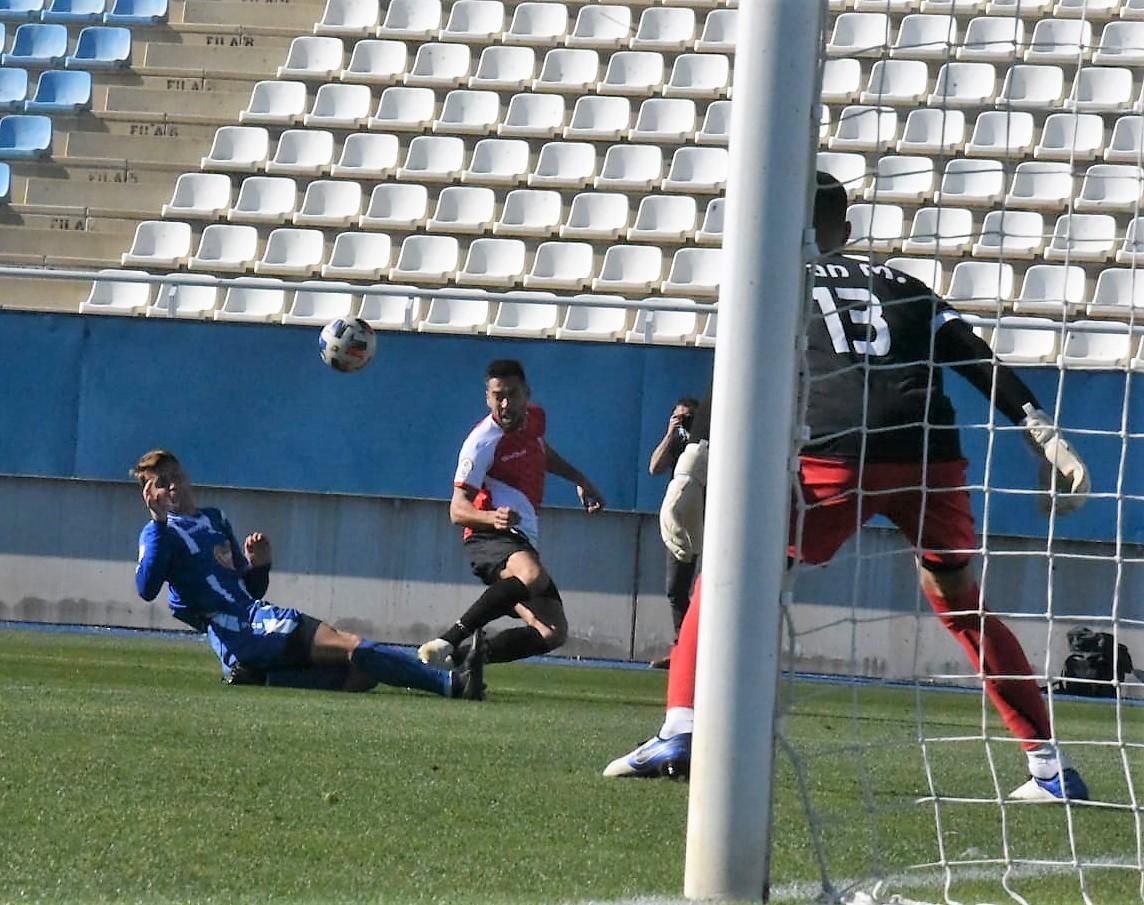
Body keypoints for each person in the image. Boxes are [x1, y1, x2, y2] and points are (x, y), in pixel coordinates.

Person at [603, 173, 1093, 803]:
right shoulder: (907, 286)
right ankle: (1051, 767)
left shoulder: (775, 282)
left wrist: (696, 453)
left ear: (784, 225)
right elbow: (972, 354)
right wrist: (1036, 426)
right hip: (929, 457)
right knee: (961, 601)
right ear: (846, 231)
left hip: (837, 455)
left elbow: (736, 369)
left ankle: (682, 727)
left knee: (728, 572)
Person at [131, 449, 486, 699]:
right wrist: (159, 522)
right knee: (350, 645)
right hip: (247, 629)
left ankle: (266, 678)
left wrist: (260, 566)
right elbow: (146, 590)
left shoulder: (215, 519)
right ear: (150, 494)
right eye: (161, 483)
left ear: (188, 476)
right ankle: (453, 684)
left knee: (361, 676)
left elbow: (248, 589)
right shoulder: (158, 532)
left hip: (257, 620)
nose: (172, 486)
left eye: (175, 475)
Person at [417, 359, 606, 669]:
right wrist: (493, 518)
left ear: (527, 394)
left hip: (520, 539)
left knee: (553, 632)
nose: (505, 404)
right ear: (487, 398)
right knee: (531, 575)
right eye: (497, 396)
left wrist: (580, 480)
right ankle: (449, 639)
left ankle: (457, 662)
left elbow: (540, 452)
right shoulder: (481, 444)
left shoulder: (535, 419)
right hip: (488, 536)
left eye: (512, 394)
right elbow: (457, 510)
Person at [647, 396, 702, 669]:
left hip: (709, 517)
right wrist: (672, 432)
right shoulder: (679, 441)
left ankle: (702, 648)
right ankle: (684, 647)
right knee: (676, 588)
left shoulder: (706, 442)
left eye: (689, 417)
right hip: (683, 521)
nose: (685, 422)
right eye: (680, 417)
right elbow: (654, 467)